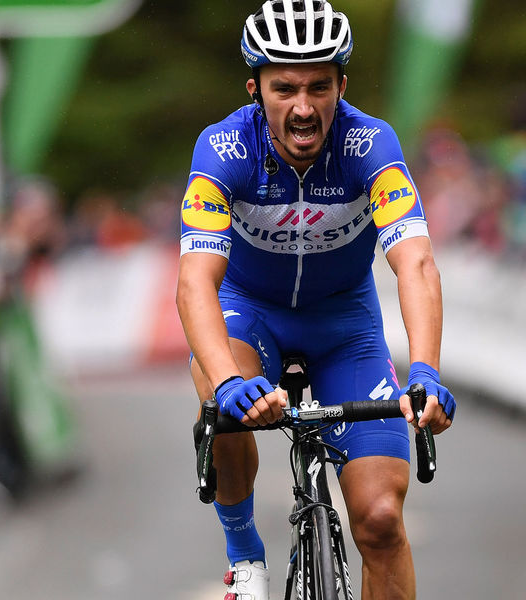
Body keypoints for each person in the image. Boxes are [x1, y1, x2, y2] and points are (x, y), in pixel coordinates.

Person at [175, 2, 456, 599]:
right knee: (222, 402)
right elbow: (196, 280)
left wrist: (427, 369)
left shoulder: (370, 144)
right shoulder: (223, 150)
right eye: (285, 88)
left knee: (381, 521)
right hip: (250, 312)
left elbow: (416, 261)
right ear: (255, 89)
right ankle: (245, 553)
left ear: (341, 86)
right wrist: (227, 381)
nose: (303, 107)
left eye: (318, 87)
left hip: (344, 326)